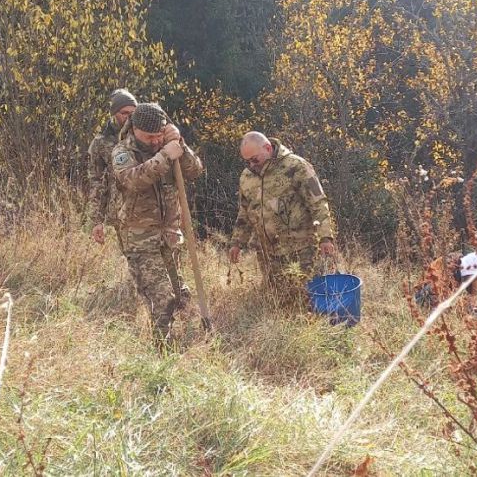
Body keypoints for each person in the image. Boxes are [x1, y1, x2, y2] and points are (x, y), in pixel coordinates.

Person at [112, 103, 203, 347]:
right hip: (140, 239)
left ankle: (191, 345)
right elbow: (133, 180)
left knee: (181, 296)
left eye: (158, 136)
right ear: (135, 130)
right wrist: (164, 156)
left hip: (169, 236)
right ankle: (163, 356)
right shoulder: (123, 151)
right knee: (162, 300)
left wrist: (181, 147)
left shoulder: (169, 143)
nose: (154, 141)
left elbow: (195, 170)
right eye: (149, 137)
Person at [228, 131, 337, 307]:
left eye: (254, 159)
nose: (251, 165)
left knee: (308, 303)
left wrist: (326, 237)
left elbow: (318, 202)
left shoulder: (296, 166)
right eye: (247, 161)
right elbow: (244, 212)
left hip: (302, 250)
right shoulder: (246, 177)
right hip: (268, 255)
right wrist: (236, 243)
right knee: (280, 303)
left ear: (268, 148)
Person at [88, 88, 138, 250]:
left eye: (133, 113)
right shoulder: (100, 142)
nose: (130, 117)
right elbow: (96, 181)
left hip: (148, 211)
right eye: (125, 113)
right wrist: (97, 221)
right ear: (114, 113)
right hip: (120, 211)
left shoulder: (145, 136)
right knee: (132, 260)